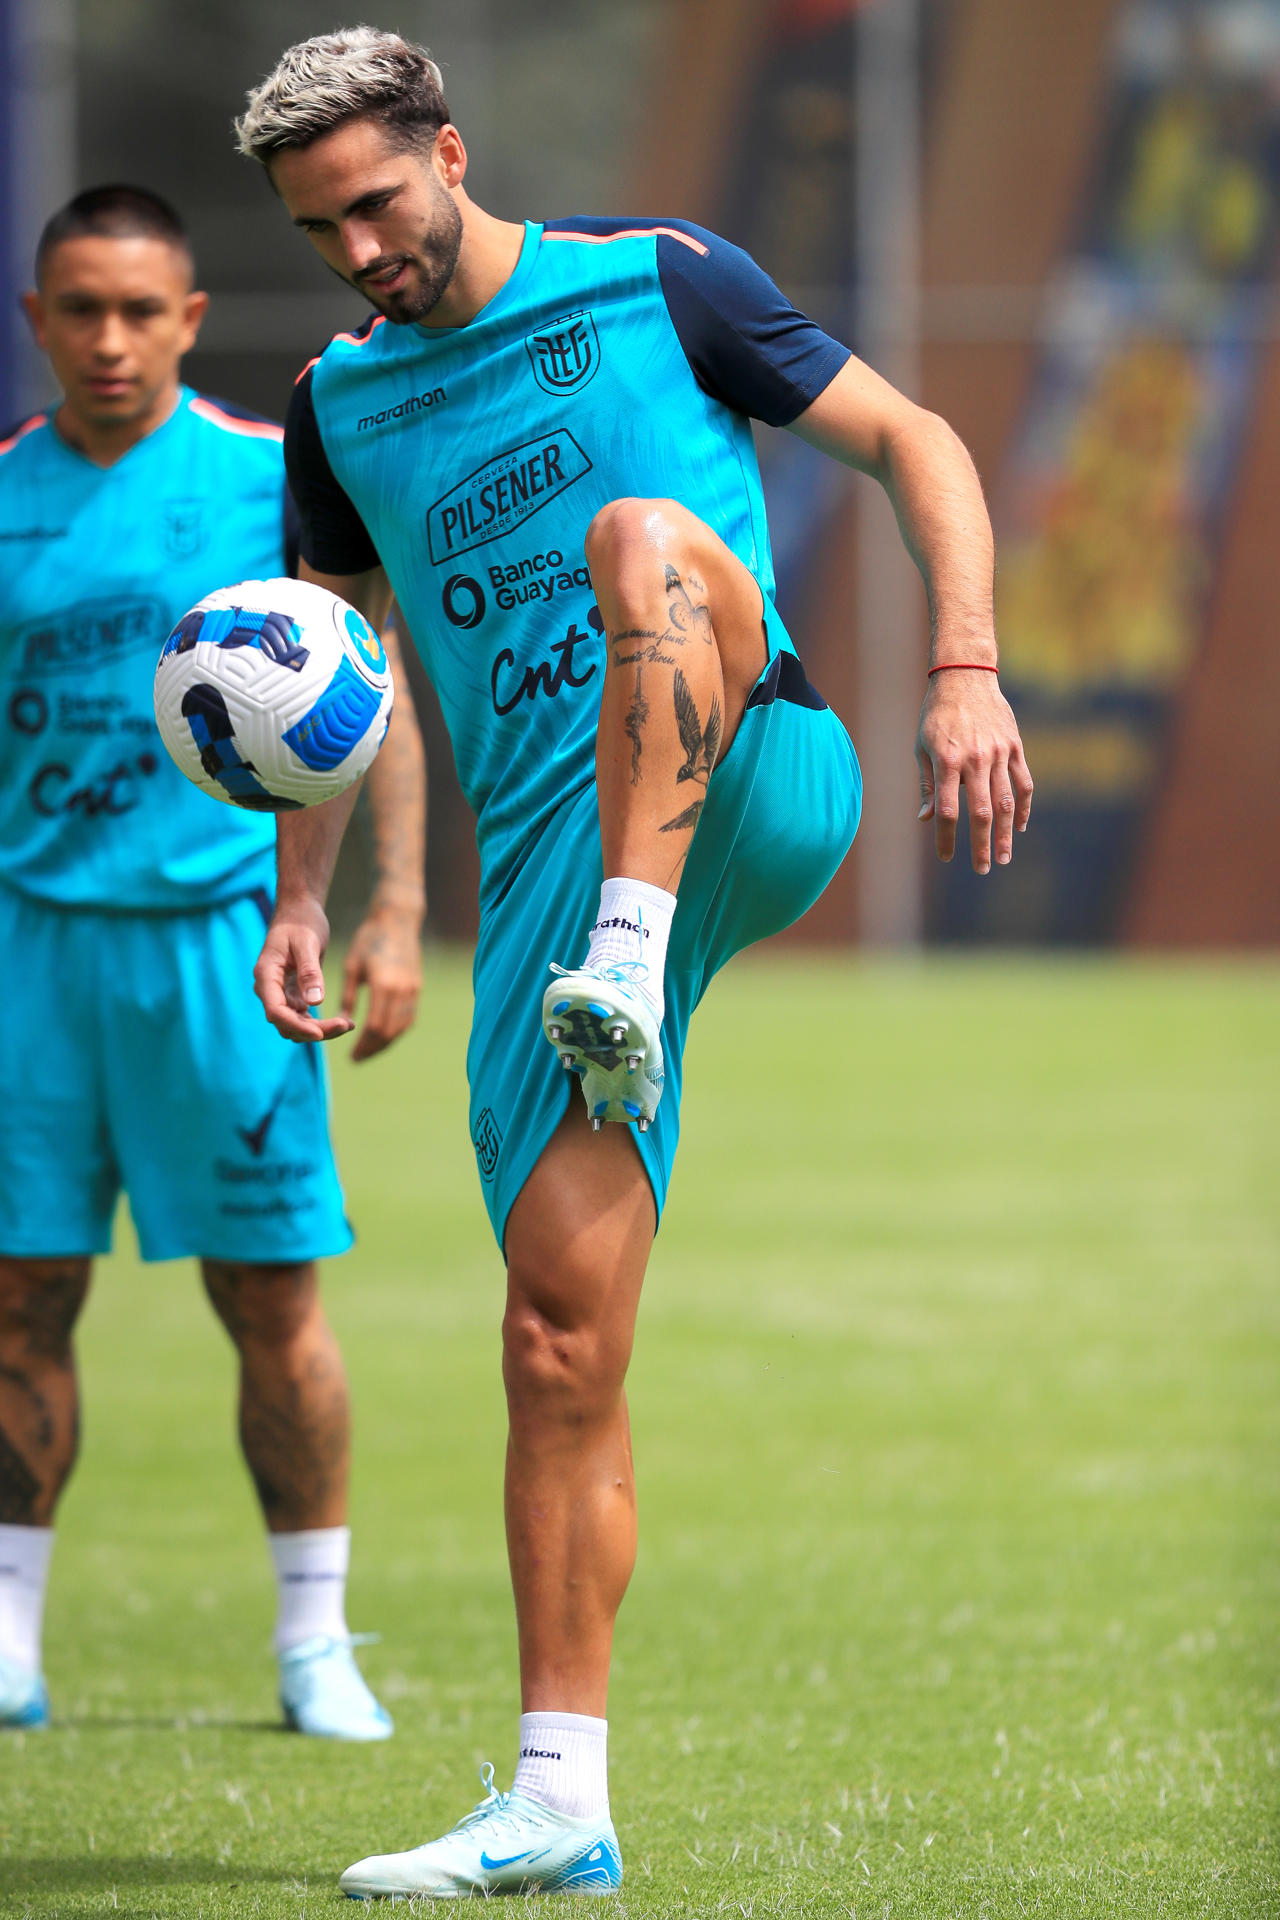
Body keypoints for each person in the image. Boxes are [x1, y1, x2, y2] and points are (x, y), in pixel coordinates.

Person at [234, 27, 1034, 1896]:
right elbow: (330, 690)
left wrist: (967, 668)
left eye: (375, 201)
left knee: (641, 532)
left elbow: (917, 438)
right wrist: (310, 897)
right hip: (544, 899)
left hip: (759, 773)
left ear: (446, 147)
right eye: (315, 228)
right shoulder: (335, 409)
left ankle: (630, 939)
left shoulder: (661, 279)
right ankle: (559, 1800)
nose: (358, 250)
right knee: (553, 1345)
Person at [0, 185, 427, 1740]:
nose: (109, 340)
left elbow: (367, 699)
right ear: (38, 319)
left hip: (225, 959)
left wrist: (388, 912)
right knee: (21, 1298)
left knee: (271, 1298)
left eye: (140, 311)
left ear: (188, 319)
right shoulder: (1, 496)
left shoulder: (269, 480)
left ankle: (316, 1641)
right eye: (79, 310)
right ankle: (11, 1633)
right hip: (31, 958)